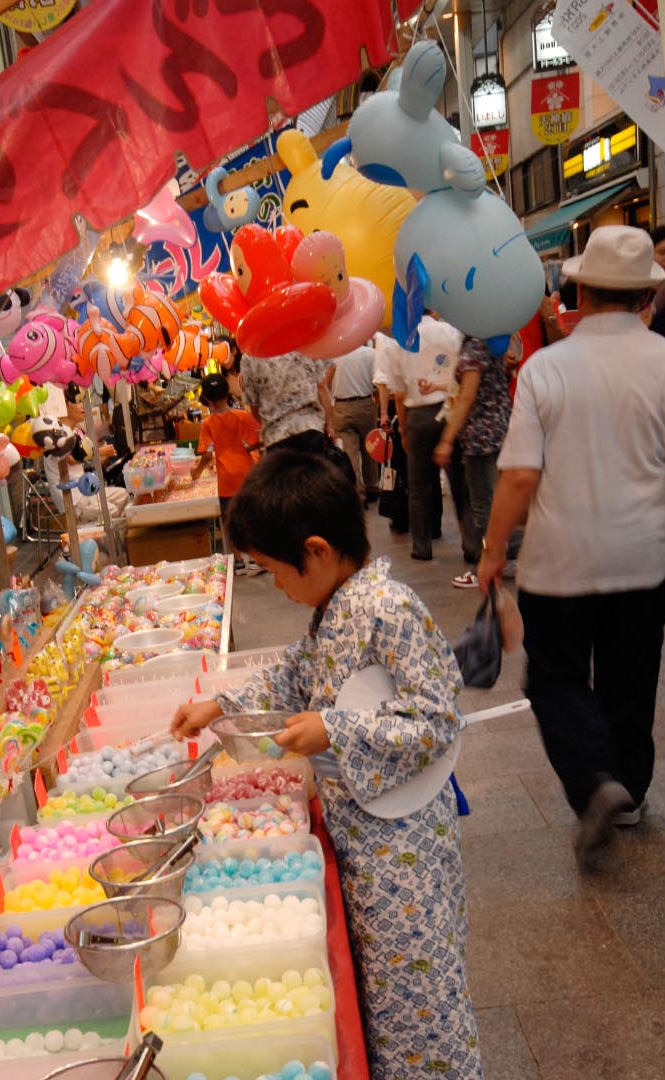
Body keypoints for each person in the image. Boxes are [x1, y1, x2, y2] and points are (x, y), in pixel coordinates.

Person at [171, 449, 478, 1078]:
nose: (278, 587)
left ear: (315, 550)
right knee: (386, 996)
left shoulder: (388, 609)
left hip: (403, 848)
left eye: (274, 571)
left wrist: (334, 728)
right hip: (368, 837)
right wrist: (223, 707)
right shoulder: (334, 609)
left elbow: (437, 719)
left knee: (418, 998)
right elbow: (293, 675)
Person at [476, 225, 665, 871]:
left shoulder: (546, 368)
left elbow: (520, 474)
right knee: (631, 674)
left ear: (578, 290)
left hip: (559, 563)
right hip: (644, 555)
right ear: (645, 296)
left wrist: (493, 549)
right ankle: (630, 792)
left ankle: (592, 784)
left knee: (554, 678)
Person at [374, 319, 464, 560]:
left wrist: (403, 430)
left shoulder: (399, 341)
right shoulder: (448, 330)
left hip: (418, 416)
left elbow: (399, 393)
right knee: (460, 483)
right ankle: (472, 545)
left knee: (418, 485)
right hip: (450, 409)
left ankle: (422, 546)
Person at [434, 335, 519, 590]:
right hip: (500, 427)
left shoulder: (473, 346)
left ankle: (488, 562)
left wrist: (447, 439)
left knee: (483, 504)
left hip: (480, 434)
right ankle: (510, 552)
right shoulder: (492, 339)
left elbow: (468, 396)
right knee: (498, 497)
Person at [191, 374, 262, 575]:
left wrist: (196, 472)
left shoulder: (207, 424)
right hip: (247, 475)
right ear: (227, 393)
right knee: (251, 518)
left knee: (230, 521)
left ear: (208, 399)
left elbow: (205, 455)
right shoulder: (244, 417)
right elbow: (255, 444)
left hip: (226, 479)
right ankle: (256, 559)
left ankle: (238, 561)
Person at [239, 349, 348, 480]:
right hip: (310, 429)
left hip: (276, 438)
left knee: (286, 491)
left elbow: (254, 406)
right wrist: (329, 425)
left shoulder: (250, 356)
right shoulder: (302, 342)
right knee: (318, 486)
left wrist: (270, 424)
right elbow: (321, 386)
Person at [319, 341, 383, 504]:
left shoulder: (335, 355)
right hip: (365, 405)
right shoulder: (370, 354)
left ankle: (357, 492)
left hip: (341, 407)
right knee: (369, 447)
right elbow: (378, 382)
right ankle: (372, 487)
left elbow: (325, 384)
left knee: (350, 452)